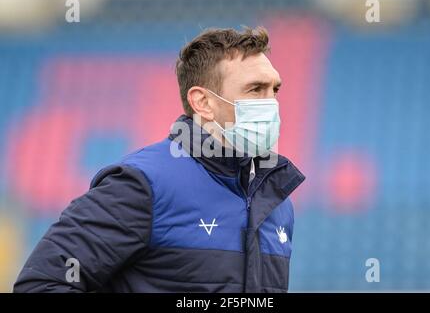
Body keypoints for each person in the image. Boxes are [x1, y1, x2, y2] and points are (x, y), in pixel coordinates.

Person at [14, 26, 305, 293]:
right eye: (256, 89)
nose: (272, 103)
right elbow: (41, 284)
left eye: (274, 90)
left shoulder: (276, 199)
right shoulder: (141, 184)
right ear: (202, 102)